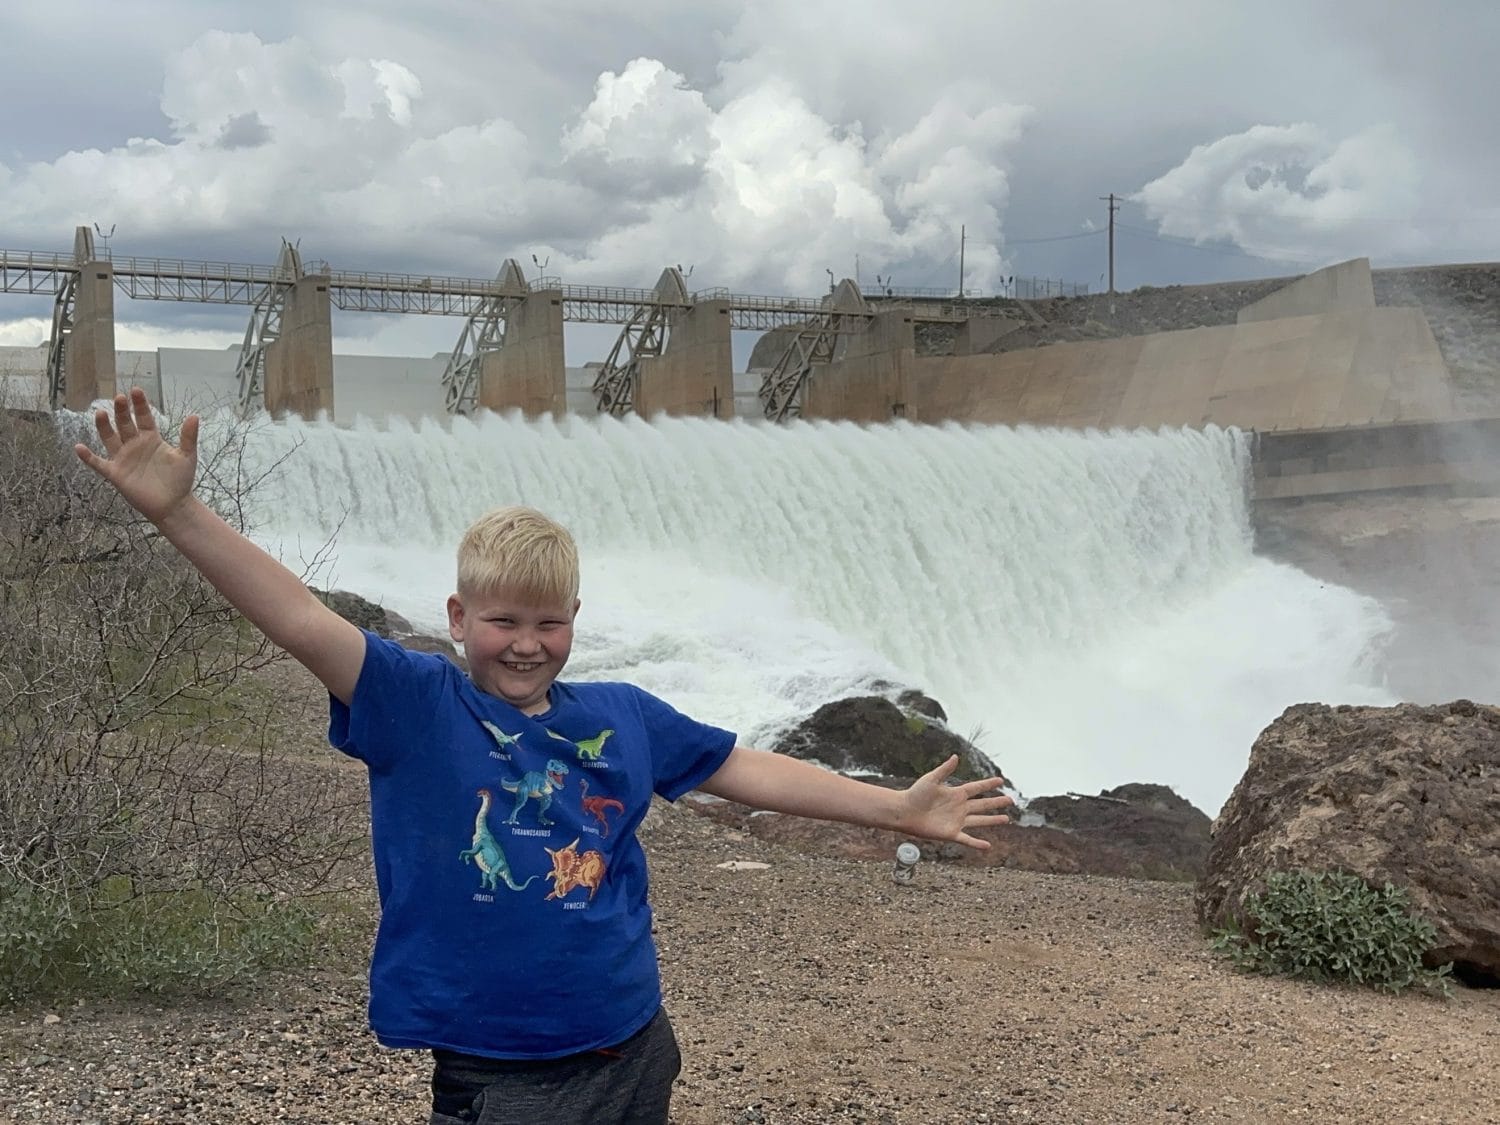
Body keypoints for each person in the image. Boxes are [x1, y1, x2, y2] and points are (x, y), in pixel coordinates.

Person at [76, 388, 1015, 1125]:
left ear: (574, 622)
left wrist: (894, 808)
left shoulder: (623, 715)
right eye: (502, 621)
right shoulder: (415, 704)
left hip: (634, 1042)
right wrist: (181, 514)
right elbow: (300, 619)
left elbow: (748, 768)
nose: (526, 644)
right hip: (501, 1075)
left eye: (548, 622)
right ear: (457, 620)